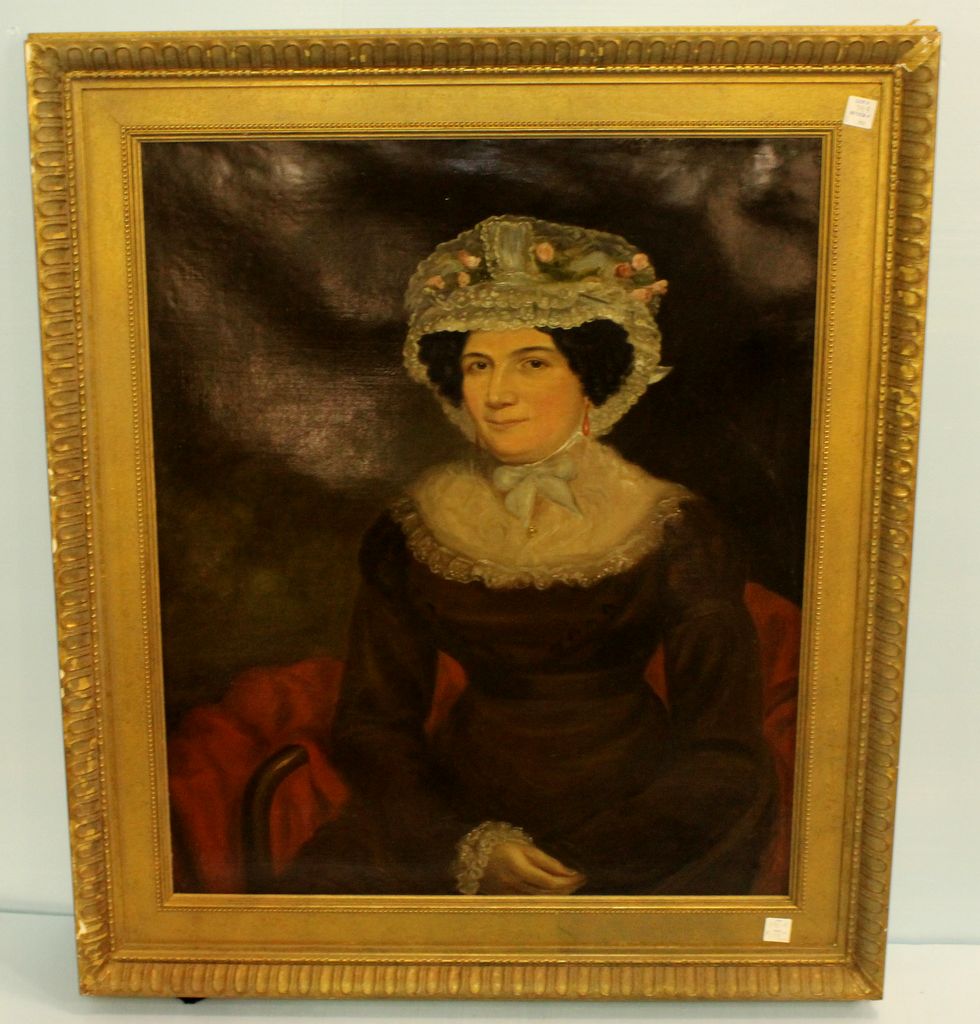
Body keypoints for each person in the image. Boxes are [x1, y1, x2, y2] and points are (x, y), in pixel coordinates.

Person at [279, 215, 776, 896]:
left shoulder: (674, 529)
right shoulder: (412, 529)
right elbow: (373, 726)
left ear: (590, 377)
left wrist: (585, 862)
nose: (497, 394)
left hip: (639, 815)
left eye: (532, 363)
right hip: (456, 808)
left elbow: (723, 751)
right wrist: (465, 846)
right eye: (478, 366)